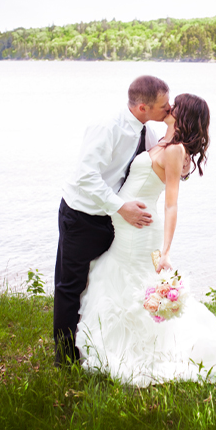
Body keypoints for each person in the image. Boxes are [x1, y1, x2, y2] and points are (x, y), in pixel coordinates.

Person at [75, 93, 216, 386]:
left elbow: (171, 204)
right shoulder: (161, 141)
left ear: (185, 114)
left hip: (140, 233)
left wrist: (166, 251)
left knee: (135, 287)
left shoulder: (175, 150)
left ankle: (149, 346)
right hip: (126, 228)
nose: (170, 107)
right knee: (116, 279)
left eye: (175, 105)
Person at [54, 75, 171, 366]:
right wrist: (121, 208)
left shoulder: (149, 133)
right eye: (164, 106)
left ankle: (97, 345)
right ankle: (65, 358)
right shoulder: (107, 127)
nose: (169, 109)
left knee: (101, 281)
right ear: (143, 107)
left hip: (113, 219)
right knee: (71, 286)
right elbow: (86, 176)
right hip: (81, 217)